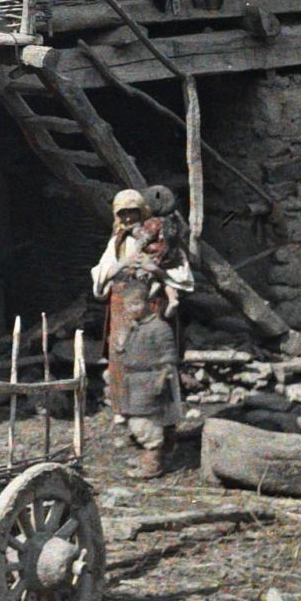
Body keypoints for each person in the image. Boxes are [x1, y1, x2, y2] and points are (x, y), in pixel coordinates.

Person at [90, 188, 194, 478]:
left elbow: (183, 276)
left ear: (142, 212)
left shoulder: (162, 238)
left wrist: (155, 271)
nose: (127, 218)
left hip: (152, 312)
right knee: (125, 372)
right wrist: (120, 266)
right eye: (122, 213)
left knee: (155, 375)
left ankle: (161, 443)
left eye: (132, 212)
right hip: (122, 313)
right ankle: (142, 437)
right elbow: (101, 275)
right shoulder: (117, 241)